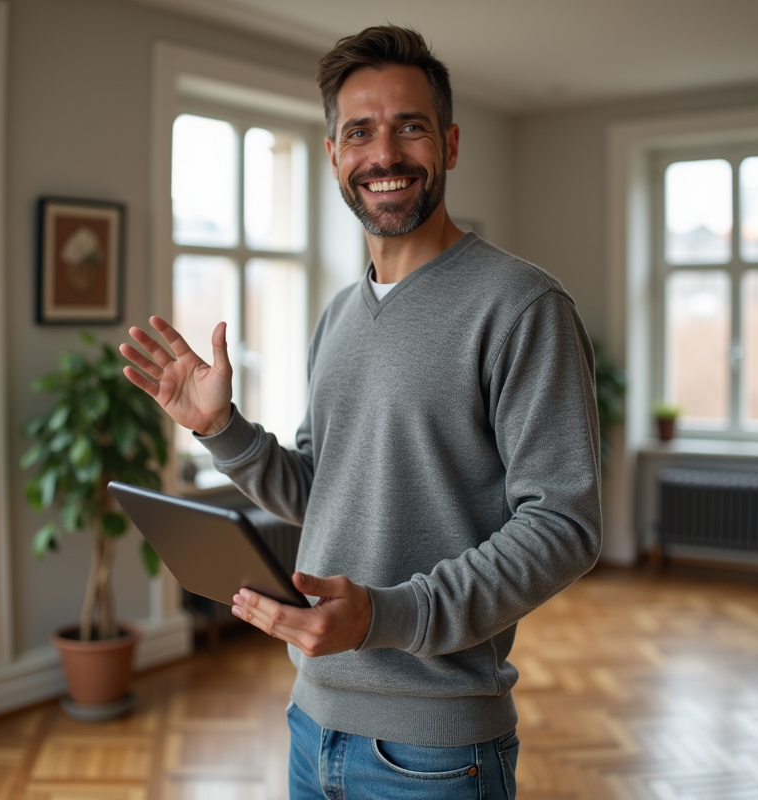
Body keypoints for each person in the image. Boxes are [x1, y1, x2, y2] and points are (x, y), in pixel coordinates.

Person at [121, 25, 601, 799]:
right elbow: (325, 492)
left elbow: (564, 528)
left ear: (448, 143)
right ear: (333, 155)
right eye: (360, 132)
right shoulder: (339, 315)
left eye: (410, 127)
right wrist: (222, 432)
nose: (385, 154)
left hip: (436, 753)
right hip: (312, 722)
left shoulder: (522, 306)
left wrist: (386, 615)